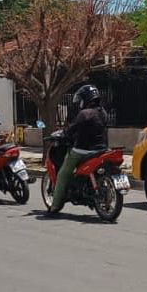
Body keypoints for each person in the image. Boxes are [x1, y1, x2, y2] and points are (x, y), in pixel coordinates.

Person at [48, 84, 108, 214]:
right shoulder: (103, 112)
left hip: (82, 150)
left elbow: (72, 129)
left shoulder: (84, 114)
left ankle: (55, 206)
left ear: (85, 99)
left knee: (63, 174)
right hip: (101, 149)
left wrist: (63, 134)